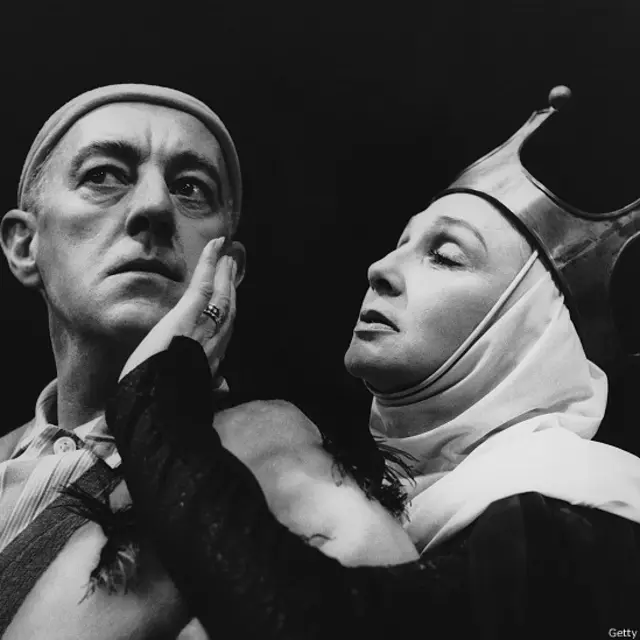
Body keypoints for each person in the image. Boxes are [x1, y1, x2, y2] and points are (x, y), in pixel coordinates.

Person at [105, 87, 640, 639]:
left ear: (533, 329)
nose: (380, 268)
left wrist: (153, 404)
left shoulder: (587, 512)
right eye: (400, 243)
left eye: (445, 255)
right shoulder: (398, 505)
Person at [0, 83, 416, 639]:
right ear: (24, 245)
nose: (154, 207)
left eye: (191, 188)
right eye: (104, 176)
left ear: (230, 269)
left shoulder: (272, 456)